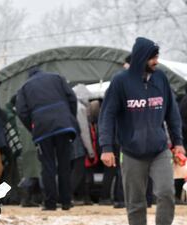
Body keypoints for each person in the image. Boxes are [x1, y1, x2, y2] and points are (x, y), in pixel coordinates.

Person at [99, 37, 185, 225]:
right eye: (152, 57)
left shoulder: (161, 78)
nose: (156, 61)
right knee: (136, 202)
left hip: (159, 149)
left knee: (166, 193)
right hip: (131, 152)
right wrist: (106, 147)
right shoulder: (120, 81)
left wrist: (178, 142)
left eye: (157, 56)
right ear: (140, 58)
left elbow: (172, 113)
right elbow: (107, 115)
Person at [16, 67, 78, 211]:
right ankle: (66, 202)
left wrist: (33, 127)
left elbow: (21, 111)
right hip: (64, 126)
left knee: (48, 166)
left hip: (42, 129)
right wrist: (70, 118)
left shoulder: (25, 87)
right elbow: (72, 98)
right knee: (64, 165)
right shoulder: (57, 78)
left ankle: (50, 203)